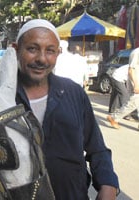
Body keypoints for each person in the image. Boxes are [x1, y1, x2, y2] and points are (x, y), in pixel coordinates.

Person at [12, 19, 119, 200]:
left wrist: (108, 185)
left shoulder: (73, 93)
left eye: (50, 51)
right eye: (32, 49)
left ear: (58, 53)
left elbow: (97, 148)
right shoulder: (0, 99)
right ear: (16, 49)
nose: (41, 59)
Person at [107, 47, 139, 129]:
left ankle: (114, 115)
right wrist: (136, 84)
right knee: (132, 102)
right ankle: (114, 117)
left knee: (134, 102)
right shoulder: (136, 52)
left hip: (130, 79)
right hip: (130, 80)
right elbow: (131, 70)